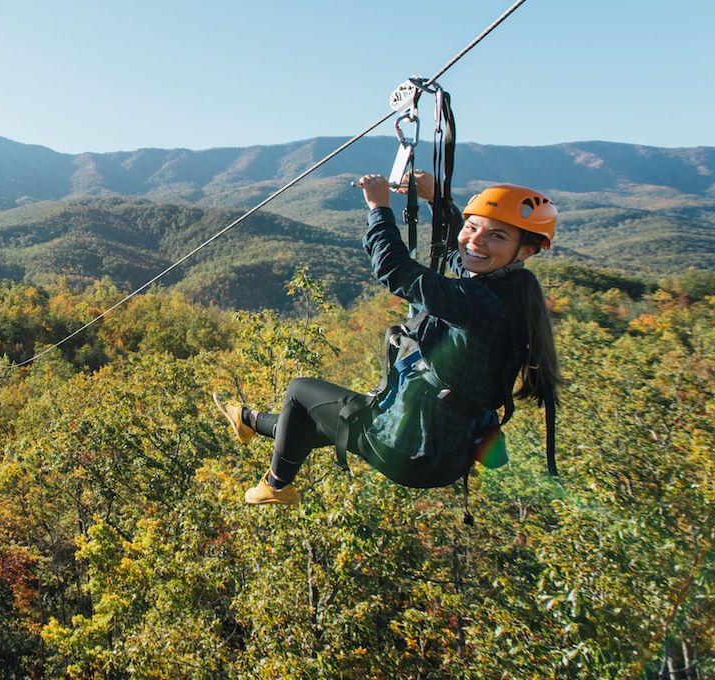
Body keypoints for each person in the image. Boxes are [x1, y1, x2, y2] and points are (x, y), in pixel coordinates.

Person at [216, 173, 561, 505]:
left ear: (527, 250)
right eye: (472, 227)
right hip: (446, 452)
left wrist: (378, 209)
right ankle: (246, 420)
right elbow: (467, 257)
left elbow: (395, 270)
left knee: (300, 391)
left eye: (497, 236)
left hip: (409, 450)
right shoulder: (513, 288)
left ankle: (276, 486)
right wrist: (436, 200)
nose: (477, 240)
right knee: (309, 421)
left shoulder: (480, 304)